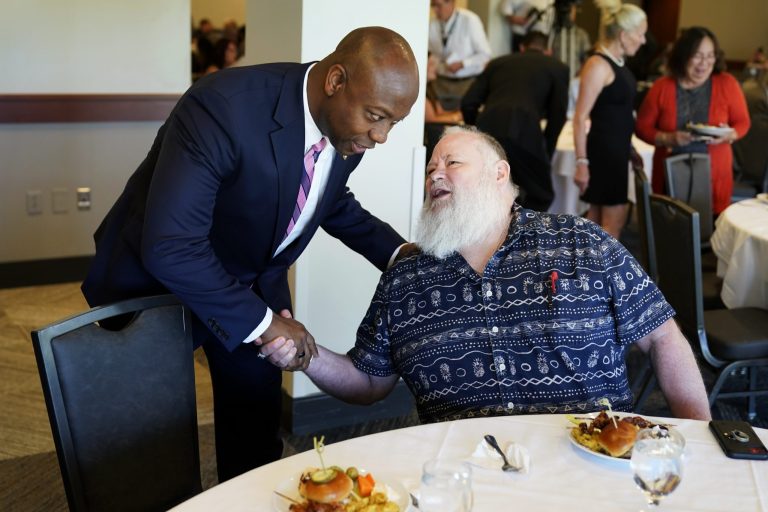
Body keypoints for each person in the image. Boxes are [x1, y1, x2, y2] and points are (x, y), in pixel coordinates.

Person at [81, 26, 420, 482]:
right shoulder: (222, 107)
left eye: (393, 123)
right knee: (147, 445)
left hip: (250, 285)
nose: (381, 136)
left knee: (255, 436)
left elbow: (328, 199)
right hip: (156, 284)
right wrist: (264, 321)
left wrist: (404, 257)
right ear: (336, 81)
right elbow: (172, 246)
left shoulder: (347, 131)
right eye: (376, 117)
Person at [261, 126, 712, 423]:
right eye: (431, 168)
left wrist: (698, 436)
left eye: (452, 163)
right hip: (465, 482)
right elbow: (369, 383)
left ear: (500, 173)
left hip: (592, 466)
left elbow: (662, 337)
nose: (436, 173)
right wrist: (306, 353)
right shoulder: (407, 277)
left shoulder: (580, 241)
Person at [635, 27, 751, 215]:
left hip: (715, 175)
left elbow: (743, 122)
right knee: (670, 229)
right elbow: (642, 127)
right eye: (697, 56)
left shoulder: (727, 83)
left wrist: (730, 135)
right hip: (669, 175)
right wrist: (668, 138)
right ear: (683, 56)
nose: (704, 64)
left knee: (712, 231)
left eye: (710, 56)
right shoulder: (662, 87)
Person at [461, 31, 569, 211]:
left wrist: (476, 133)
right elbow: (558, 115)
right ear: (548, 51)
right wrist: (546, 151)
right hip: (526, 133)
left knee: (487, 191)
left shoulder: (497, 63)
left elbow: (468, 103)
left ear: (521, 47)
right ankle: (524, 235)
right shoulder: (557, 67)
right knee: (541, 194)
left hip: (488, 131)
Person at [573, 1, 647, 239]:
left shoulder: (617, 63)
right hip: (603, 154)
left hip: (615, 151)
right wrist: (582, 163)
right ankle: (603, 275)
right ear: (624, 35)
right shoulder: (597, 64)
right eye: (640, 34)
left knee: (597, 223)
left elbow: (620, 114)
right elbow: (580, 117)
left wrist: (630, 147)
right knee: (611, 225)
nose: (643, 41)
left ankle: (589, 274)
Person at [428, 0, 492, 111]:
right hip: (440, 84)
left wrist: (463, 64)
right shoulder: (433, 24)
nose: (435, 10)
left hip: (466, 84)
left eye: (438, 5)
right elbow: (432, 53)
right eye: (432, 6)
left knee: (462, 120)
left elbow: (485, 54)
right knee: (438, 122)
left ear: (452, 3)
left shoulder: (470, 20)